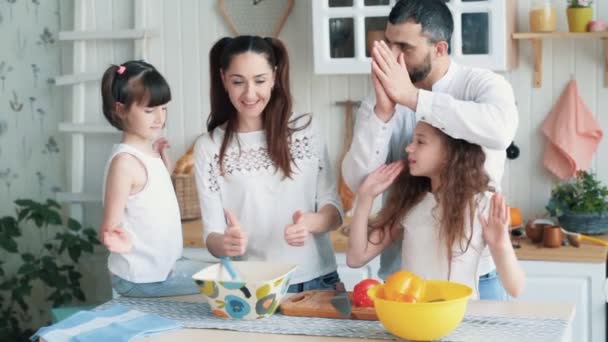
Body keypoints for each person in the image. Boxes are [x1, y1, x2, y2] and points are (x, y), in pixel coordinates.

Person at [341, 0, 518, 299]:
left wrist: (414, 99)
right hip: (404, 280)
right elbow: (358, 179)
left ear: (439, 49)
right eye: (388, 44)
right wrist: (383, 113)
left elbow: (500, 131)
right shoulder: (382, 95)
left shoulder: (482, 85)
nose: (393, 57)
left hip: (478, 279)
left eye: (405, 47)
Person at [194, 36, 344, 293]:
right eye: (238, 81)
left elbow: (334, 210)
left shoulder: (306, 132)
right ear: (223, 80)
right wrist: (225, 243)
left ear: (274, 77)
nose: (250, 94)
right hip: (253, 287)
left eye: (260, 80)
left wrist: (311, 223)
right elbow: (212, 236)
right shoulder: (209, 148)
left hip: (317, 280)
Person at [346, 121, 525, 299]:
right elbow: (356, 258)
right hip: (415, 318)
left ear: (449, 153)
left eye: (420, 142)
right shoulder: (410, 201)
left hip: (463, 320)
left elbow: (515, 289)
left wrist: (500, 245)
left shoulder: (482, 204)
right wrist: (365, 197)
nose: (409, 148)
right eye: (412, 141)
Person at [99, 60, 204, 297]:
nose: (159, 118)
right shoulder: (124, 163)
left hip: (162, 269)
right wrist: (114, 238)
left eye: (163, 108)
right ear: (120, 109)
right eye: (149, 110)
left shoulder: (146, 153)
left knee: (224, 278)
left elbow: (156, 186)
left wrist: (163, 155)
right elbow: (108, 227)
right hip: (140, 278)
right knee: (225, 283)